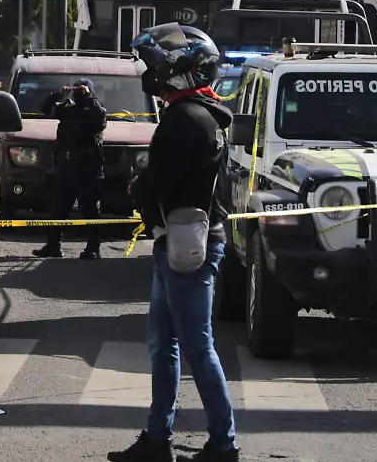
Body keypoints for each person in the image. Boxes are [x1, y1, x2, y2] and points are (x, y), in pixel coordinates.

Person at [110, 23, 238, 462]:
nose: (151, 71)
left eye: (157, 64)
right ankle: (156, 439)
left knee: (195, 346)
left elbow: (159, 183)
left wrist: (136, 188)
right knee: (164, 343)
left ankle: (223, 443)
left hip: (188, 244)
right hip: (182, 240)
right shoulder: (203, 114)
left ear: (179, 71)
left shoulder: (183, 120)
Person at [32, 78, 107, 260]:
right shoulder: (67, 108)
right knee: (59, 207)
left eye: (83, 90)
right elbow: (45, 109)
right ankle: (53, 245)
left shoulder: (96, 110)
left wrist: (90, 97)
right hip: (66, 164)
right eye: (77, 89)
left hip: (87, 167)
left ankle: (93, 248)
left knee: (90, 208)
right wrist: (58, 94)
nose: (79, 93)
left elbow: (100, 120)